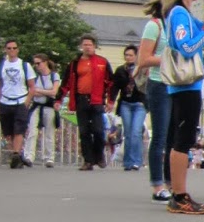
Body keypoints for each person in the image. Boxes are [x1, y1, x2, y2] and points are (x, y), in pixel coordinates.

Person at [160, 0, 204, 214]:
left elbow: (196, 31)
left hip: (186, 85)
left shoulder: (180, 13)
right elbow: (187, 47)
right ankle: (179, 195)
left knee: (182, 138)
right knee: (182, 140)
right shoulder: (179, 13)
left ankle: (179, 192)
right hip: (186, 84)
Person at [135, 0, 171, 201]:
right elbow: (144, 59)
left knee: (174, 137)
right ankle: (157, 185)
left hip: (177, 83)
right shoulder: (154, 25)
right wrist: (171, 59)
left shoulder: (178, 25)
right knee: (160, 136)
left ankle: (170, 182)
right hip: (159, 83)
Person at [61, 34, 115, 170]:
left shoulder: (102, 62)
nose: (87, 47)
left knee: (98, 130)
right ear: (81, 46)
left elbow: (111, 82)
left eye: (90, 45)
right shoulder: (74, 63)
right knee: (84, 132)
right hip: (81, 100)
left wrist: (111, 101)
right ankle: (88, 161)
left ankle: (99, 155)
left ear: (94, 46)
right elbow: (66, 82)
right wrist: (59, 99)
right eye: (85, 45)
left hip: (97, 100)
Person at [0, 40, 35, 167]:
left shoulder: (25, 65)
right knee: (8, 131)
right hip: (5, 100)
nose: (12, 50)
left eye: (14, 48)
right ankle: (18, 154)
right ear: (5, 50)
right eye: (9, 48)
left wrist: (27, 102)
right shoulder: (1, 66)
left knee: (19, 129)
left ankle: (15, 154)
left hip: (20, 100)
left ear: (18, 49)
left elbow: (32, 86)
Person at [111, 44, 148, 170]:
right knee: (127, 133)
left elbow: (147, 85)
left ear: (136, 56)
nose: (128, 57)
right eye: (126, 55)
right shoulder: (120, 70)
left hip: (139, 104)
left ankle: (136, 161)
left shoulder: (142, 69)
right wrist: (111, 101)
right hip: (125, 103)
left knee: (136, 132)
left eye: (131, 55)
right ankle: (127, 162)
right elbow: (115, 87)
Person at [25, 53, 61, 167]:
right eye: (35, 64)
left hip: (49, 106)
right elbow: (32, 92)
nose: (36, 66)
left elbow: (54, 92)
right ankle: (29, 156)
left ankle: (49, 158)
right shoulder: (35, 77)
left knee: (49, 132)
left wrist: (39, 91)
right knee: (32, 131)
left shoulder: (54, 75)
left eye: (38, 63)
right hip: (37, 106)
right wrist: (45, 92)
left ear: (45, 62)